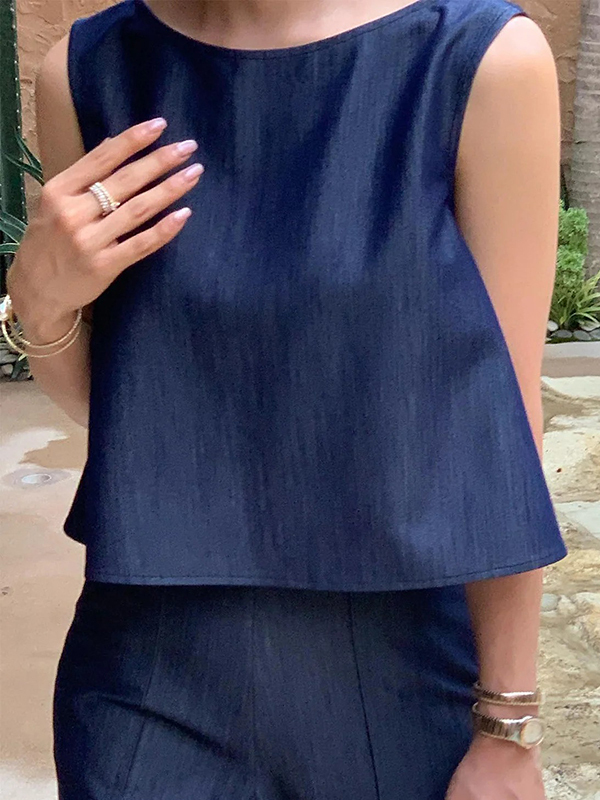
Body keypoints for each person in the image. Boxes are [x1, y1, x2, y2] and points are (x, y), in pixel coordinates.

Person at [3, 0, 568, 797]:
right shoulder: (89, 70)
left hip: (406, 678)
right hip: (146, 679)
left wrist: (508, 721)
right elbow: (120, 407)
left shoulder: (480, 61)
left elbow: (504, 423)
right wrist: (43, 307)